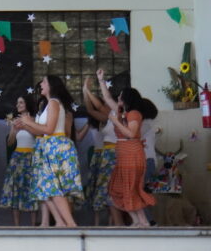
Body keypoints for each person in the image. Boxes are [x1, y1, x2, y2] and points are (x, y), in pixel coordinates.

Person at [14, 75, 81, 227]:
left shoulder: (54, 102)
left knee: (53, 188)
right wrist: (26, 126)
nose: (41, 84)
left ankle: (70, 224)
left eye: (44, 82)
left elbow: (49, 129)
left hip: (56, 147)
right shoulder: (49, 104)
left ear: (51, 86)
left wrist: (28, 121)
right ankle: (61, 222)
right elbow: (41, 132)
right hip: (49, 147)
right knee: (47, 188)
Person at [97, 71, 154, 226]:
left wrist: (115, 121)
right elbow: (107, 98)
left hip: (132, 153)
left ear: (127, 99)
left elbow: (131, 133)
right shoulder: (123, 113)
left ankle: (143, 222)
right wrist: (101, 80)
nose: (118, 98)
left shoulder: (134, 114)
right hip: (123, 154)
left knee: (130, 188)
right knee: (118, 188)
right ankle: (136, 220)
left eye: (121, 96)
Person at [80, 75, 119, 225]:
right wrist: (85, 91)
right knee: (102, 188)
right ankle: (106, 223)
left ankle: (115, 223)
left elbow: (101, 105)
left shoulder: (118, 114)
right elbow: (91, 109)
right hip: (106, 155)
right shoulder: (107, 119)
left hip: (114, 154)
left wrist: (88, 91)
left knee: (111, 187)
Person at [0, 95, 38, 226]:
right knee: (15, 189)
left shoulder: (35, 119)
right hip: (17, 158)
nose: (18, 105)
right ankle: (16, 225)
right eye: (17, 103)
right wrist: (14, 129)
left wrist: (26, 125)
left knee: (31, 189)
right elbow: (10, 142)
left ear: (27, 104)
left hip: (30, 157)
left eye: (21, 102)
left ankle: (33, 225)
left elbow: (38, 135)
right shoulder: (16, 120)